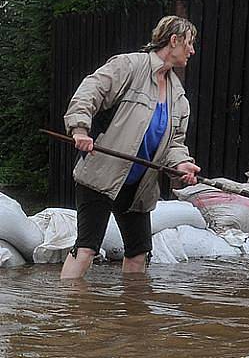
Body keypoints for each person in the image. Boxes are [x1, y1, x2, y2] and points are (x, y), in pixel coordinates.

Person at [60, 15, 201, 280]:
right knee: (87, 249)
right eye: (190, 43)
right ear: (174, 41)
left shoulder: (178, 96)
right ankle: (69, 314)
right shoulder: (129, 66)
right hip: (102, 175)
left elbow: (174, 144)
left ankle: (133, 315)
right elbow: (90, 91)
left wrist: (181, 165)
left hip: (138, 186)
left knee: (138, 253)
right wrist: (80, 129)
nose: (192, 50)